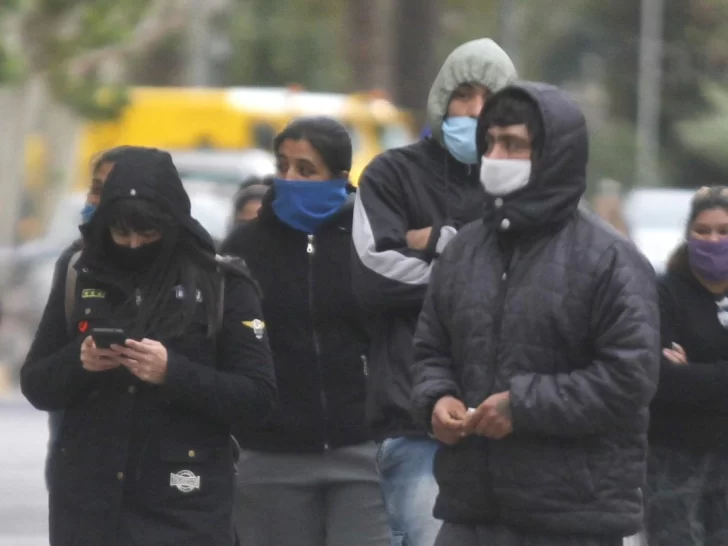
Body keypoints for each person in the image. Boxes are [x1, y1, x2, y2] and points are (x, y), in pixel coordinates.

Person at [410, 82, 660, 546]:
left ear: (552, 155)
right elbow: (431, 349)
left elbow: (629, 378)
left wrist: (522, 406)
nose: (495, 156)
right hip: (471, 511)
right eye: (489, 143)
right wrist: (436, 399)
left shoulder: (609, 259)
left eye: (513, 145)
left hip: (571, 518)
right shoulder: (464, 251)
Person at [21, 147, 277, 546]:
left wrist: (172, 372)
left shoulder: (222, 283)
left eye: (148, 233)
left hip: (184, 503)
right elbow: (36, 384)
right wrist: (81, 360)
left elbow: (257, 397)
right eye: (121, 233)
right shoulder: (79, 271)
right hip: (90, 504)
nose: (134, 244)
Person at [351, 38, 517, 545]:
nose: (475, 110)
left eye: (490, 97)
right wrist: (472, 255)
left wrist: (433, 242)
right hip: (416, 421)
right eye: (463, 94)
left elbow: (547, 279)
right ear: (442, 97)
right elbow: (374, 278)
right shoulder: (392, 174)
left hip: (512, 423)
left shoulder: (524, 180)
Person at [221, 117, 389, 546]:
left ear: (339, 176)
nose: (291, 179)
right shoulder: (244, 248)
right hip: (271, 457)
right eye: (284, 166)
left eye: (306, 169)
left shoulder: (373, 239)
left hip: (364, 453)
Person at [45, 145, 136, 485]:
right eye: (94, 189)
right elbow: (40, 372)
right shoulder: (74, 262)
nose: (97, 201)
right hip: (80, 439)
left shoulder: (183, 267)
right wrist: (80, 359)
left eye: (108, 190)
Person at [645, 186, 728, 546]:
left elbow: (684, 379)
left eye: (724, 231)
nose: (713, 239)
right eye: (703, 230)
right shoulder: (663, 292)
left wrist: (695, 371)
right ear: (688, 234)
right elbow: (661, 378)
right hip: (672, 458)